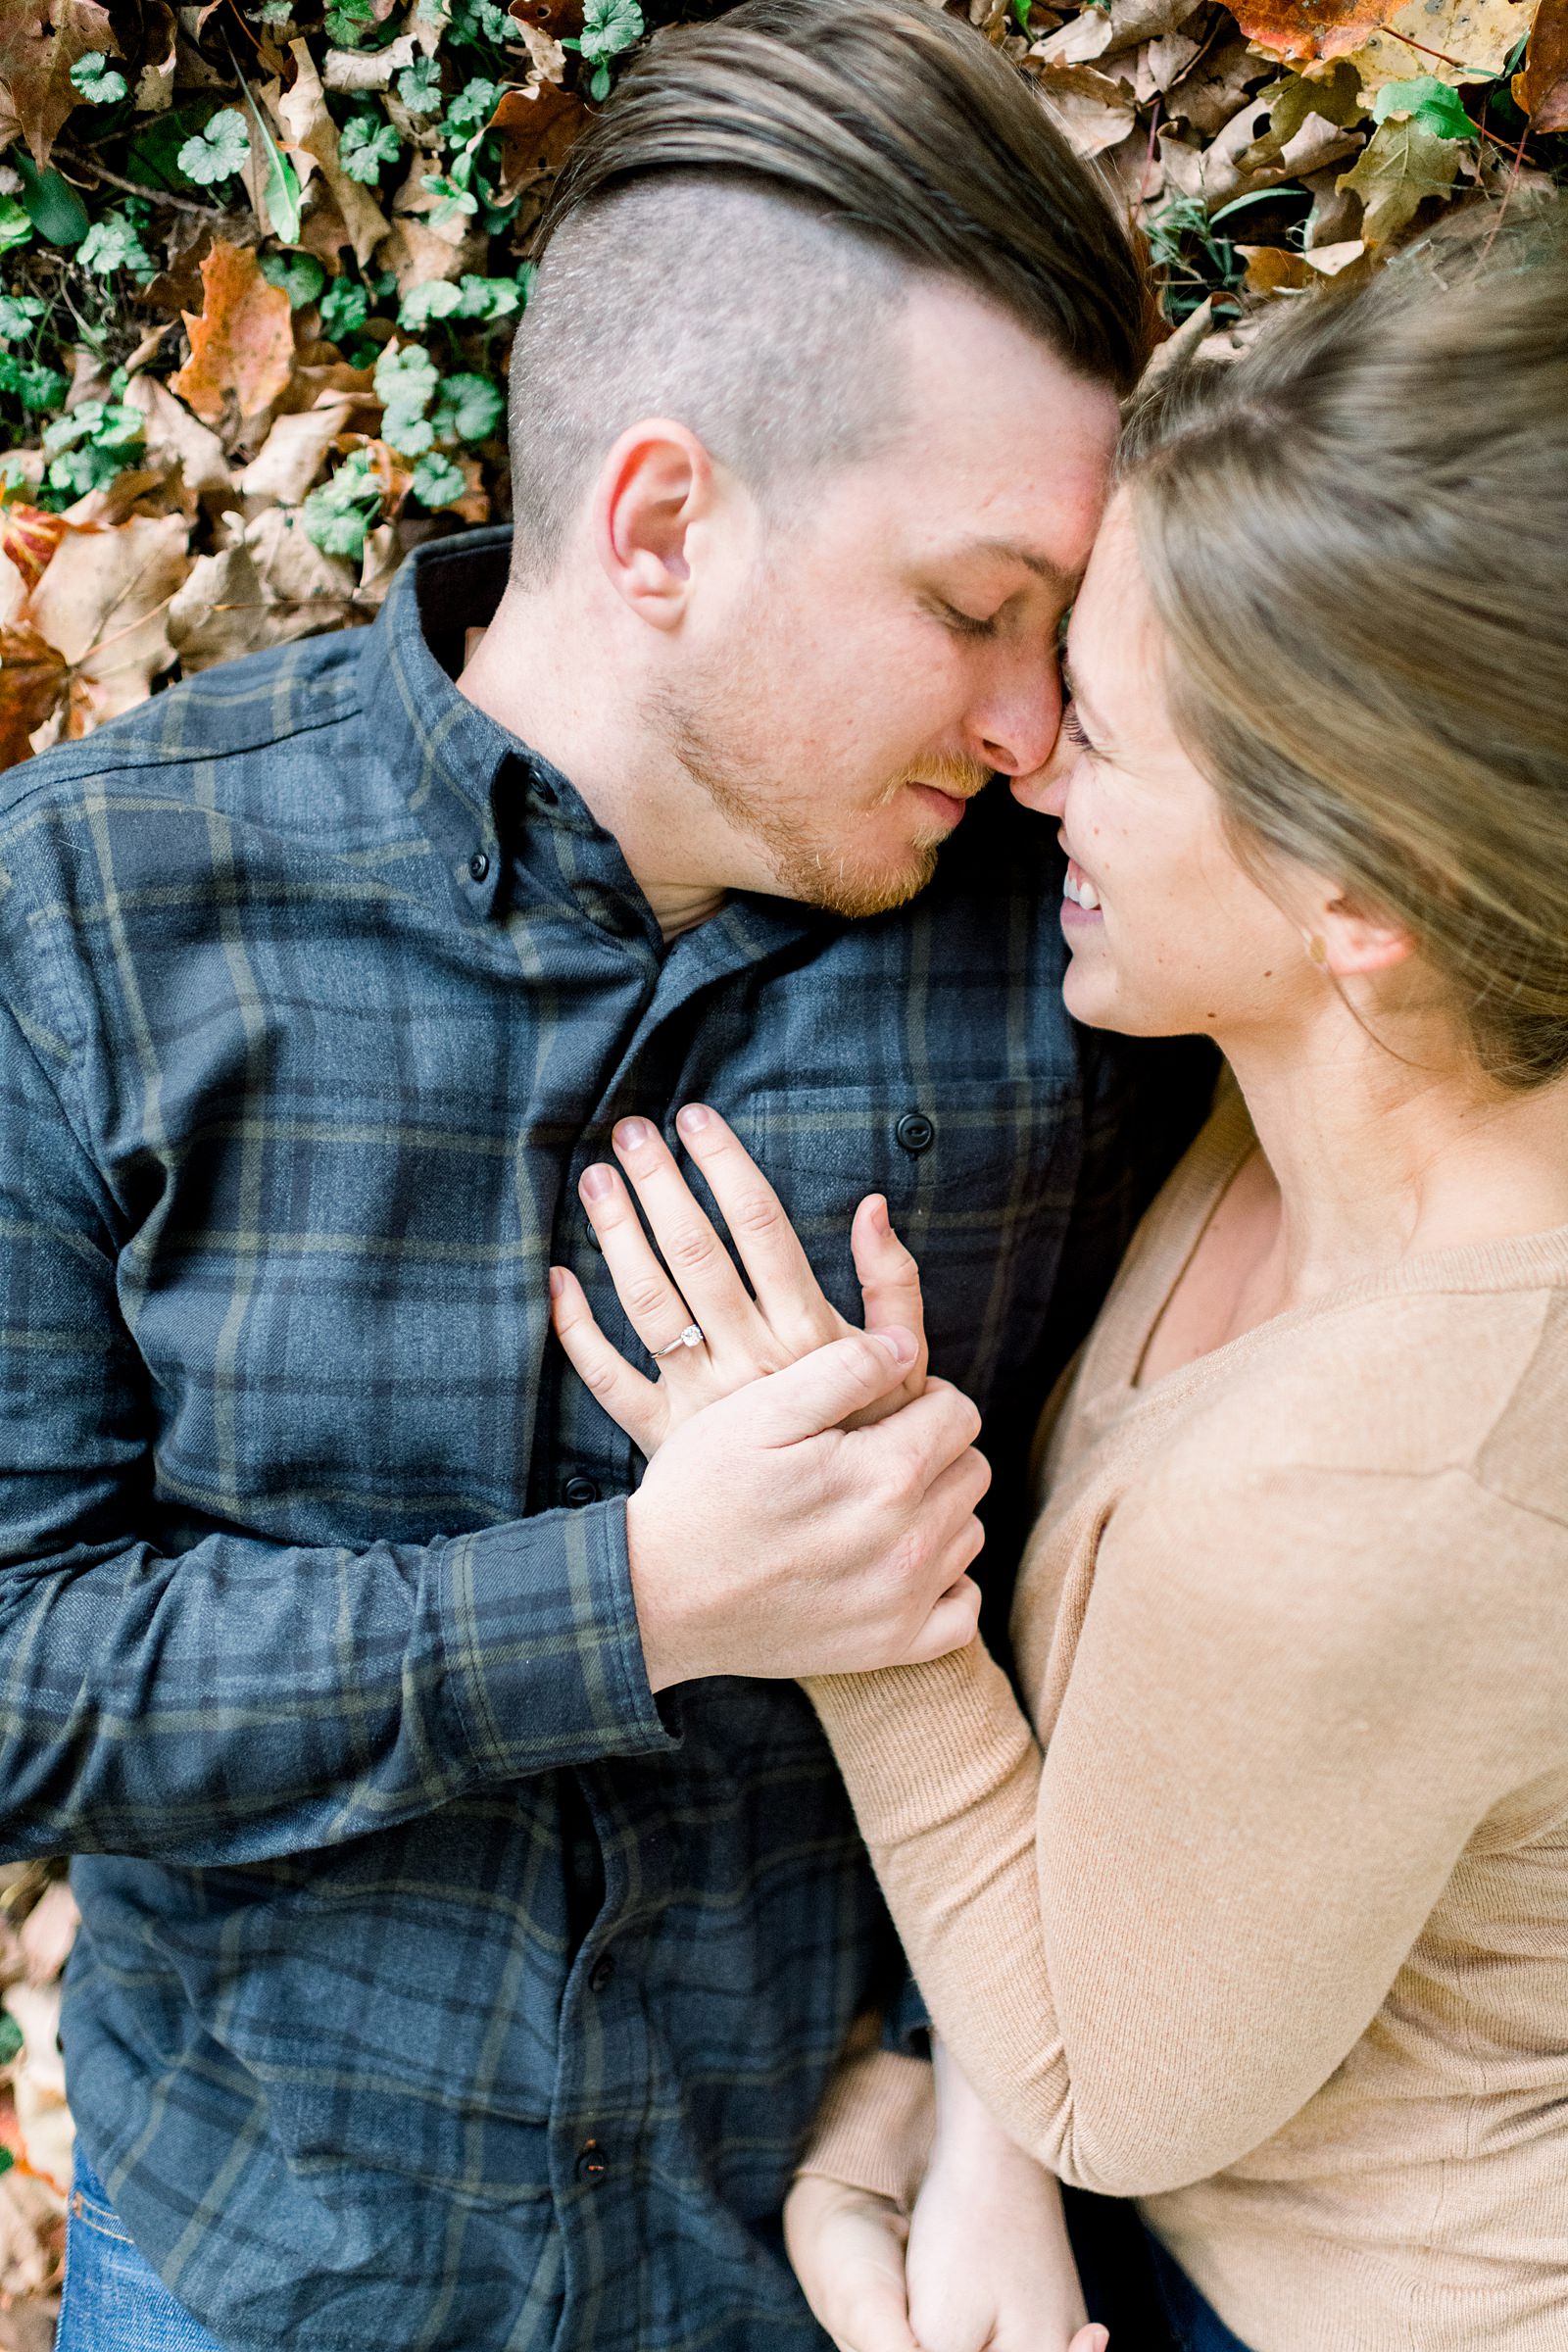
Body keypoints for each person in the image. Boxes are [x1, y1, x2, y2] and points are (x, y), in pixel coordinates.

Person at [0, 4, 1205, 2346]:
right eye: (973, 610)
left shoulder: (1075, 954)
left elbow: (1185, 1561)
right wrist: (632, 1600)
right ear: (662, 522)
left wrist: (975, 2100)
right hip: (264, 2264)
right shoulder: (88, 913)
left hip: (824, 2262)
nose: (1034, 725)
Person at [558, 215, 1568, 2352]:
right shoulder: (1337, 1071)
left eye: (1100, 733)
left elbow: (1106, 2082)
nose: (1023, 760)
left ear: (1355, 896)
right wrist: (932, 2127)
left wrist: (853, 1558)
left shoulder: (1382, 1494)